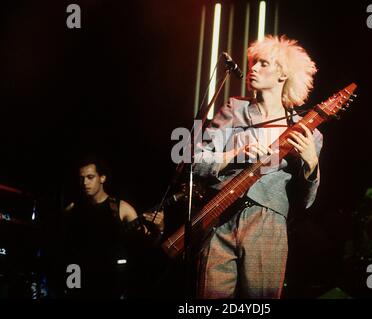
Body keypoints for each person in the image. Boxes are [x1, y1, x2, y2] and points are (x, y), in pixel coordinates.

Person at [193, 35, 322, 298]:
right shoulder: (235, 109)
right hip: (220, 217)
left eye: (263, 64)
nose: (253, 68)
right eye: (254, 62)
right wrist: (233, 154)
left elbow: (305, 201)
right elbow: (195, 163)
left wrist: (311, 163)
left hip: (268, 224)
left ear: (283, 75)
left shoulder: (308, 132)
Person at [61, 157, 163, 298]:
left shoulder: (121, 208)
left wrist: (160, 228)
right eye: (82, 178)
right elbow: (65, 247)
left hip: (112, 285)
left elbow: (145, 245)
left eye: (90, 177)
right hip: (81, 282)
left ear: (102, 178)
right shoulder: (73, 209)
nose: (85, 182)